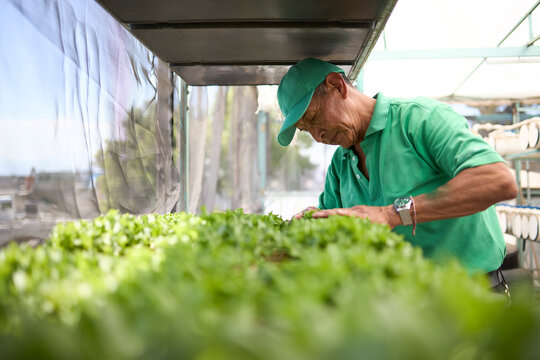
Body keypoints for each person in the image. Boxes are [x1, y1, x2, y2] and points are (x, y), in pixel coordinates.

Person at [276, 57, 518, 279]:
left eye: (315, 117)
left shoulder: (420, 120)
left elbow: (498, 180)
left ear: (337, 86)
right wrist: (312, 224)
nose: (318, 137)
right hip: (399, 307)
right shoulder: (341, 165)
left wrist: (391, 214)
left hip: (471, 298)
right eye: (306, 130)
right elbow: (336, 230)